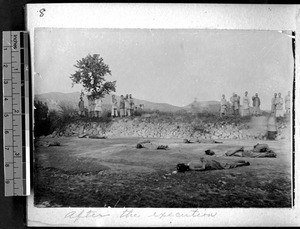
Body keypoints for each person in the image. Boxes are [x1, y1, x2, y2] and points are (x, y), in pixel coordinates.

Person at [176, 157, 250, 172]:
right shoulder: (191, 167)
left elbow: (200, 161)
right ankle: (243, 164)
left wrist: (202, 160)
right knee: (228, 165)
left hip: (211, 162)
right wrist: (204, 162)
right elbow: (203, 168)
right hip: (211, 164)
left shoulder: (190, 163)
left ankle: (242, 163)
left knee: (228, 164)